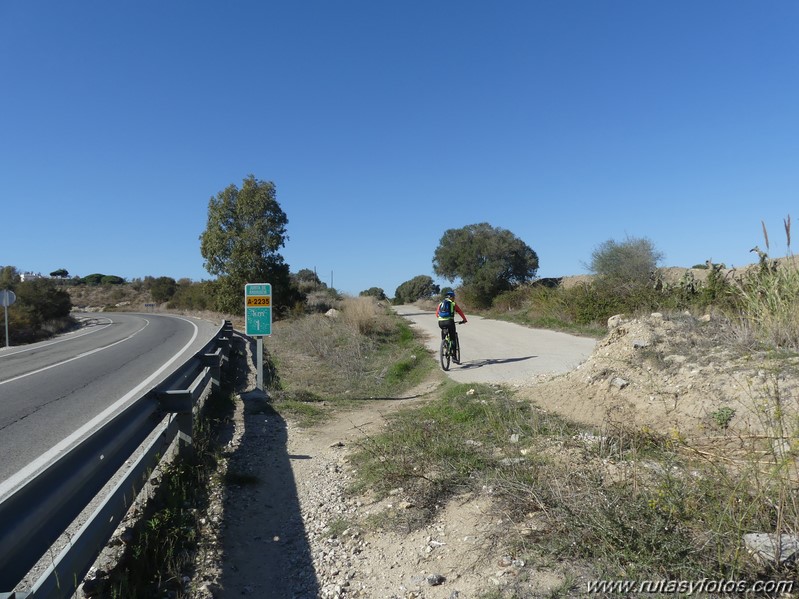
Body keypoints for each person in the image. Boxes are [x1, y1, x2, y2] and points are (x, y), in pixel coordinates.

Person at [436, 290, 467, 362]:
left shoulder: (440, 304)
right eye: (454, 297)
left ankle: (444, 344)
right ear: (452, 297)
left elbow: (437, 314)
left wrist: (442, 319)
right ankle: (454, 356)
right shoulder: (453, 304)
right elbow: (460, 311)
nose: (454, 298)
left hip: (440, 322)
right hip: (449, 322)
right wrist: (464, 320)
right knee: (453, 338)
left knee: (444, 331)